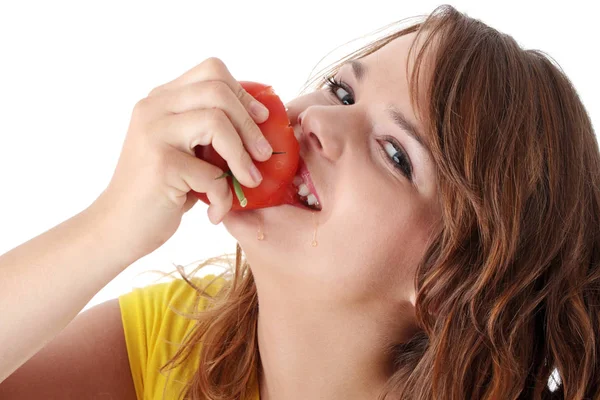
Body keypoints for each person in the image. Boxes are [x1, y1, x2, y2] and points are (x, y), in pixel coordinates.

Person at [0, 3, 597, 399]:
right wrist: (108, 229)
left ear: (451, 284)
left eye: (395, 154)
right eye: (341, 89)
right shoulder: (179, 336)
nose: (318, 121)